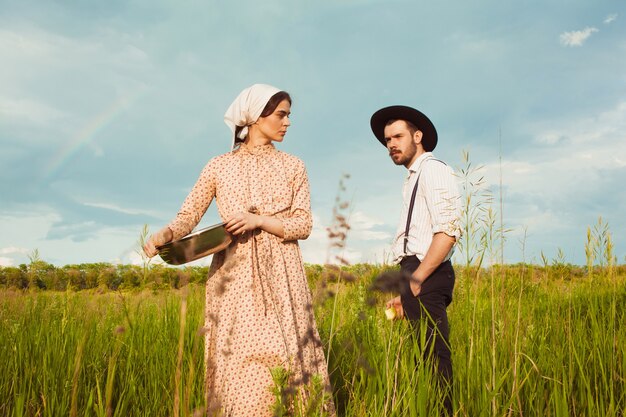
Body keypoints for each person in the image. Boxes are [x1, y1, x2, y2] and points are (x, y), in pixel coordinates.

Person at [143, 84, 335, 416]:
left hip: (283, 273)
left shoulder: (294, 166)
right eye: (281, 114)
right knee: (242, 358)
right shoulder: (219, 166)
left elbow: (303, 224)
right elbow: (188, 215)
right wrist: (167, 233)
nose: (287, 122)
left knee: (287, 353)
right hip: (235, 276)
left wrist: (257, 221)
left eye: (288, 115)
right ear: (255, 116)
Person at [370, 105, 461, 416]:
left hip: (429, 271)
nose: (391, 144)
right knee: (424, 358)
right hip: (418, 271)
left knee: (435, 360)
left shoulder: (434, 170)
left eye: (397, 136)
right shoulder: (413, 177)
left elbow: (448, 231)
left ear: (418, 136)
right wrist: (405, 291)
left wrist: (419, 279)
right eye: (386, 140)